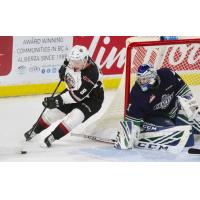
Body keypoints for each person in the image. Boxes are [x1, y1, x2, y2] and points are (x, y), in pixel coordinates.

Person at [24, 45, 104, 147]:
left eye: (77, 62)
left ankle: (53, 137)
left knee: (74, 118)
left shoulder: (92, 73)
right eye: (73, 61)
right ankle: (34, 131)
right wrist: (63, 71)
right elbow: (66, 66)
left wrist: (56, 100)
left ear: (85, 60)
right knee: (52, 114)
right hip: (75, 90)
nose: (74, 64)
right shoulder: (74, 60)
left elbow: (78, 96)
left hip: (92, 100)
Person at [115, 64, 200, 150]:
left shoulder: (167, 74)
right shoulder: (137, 93)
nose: (141, 82)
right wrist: (128, 136)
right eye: (140, 79)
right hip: (156, 117)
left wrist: (192, 109)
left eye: (145, 79)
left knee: (195, 119)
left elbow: (184, 91)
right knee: (187, 140)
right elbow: (132, 119)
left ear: (153, 77)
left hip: (174, 110)